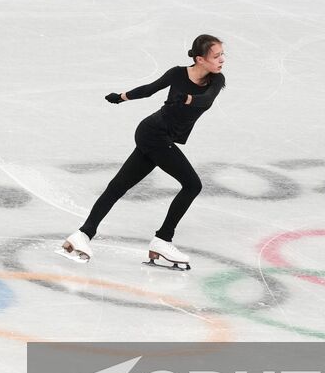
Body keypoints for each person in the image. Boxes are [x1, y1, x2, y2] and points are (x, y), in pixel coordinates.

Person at [60, 34, 226, 271]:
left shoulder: (216, 81)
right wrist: (121, 97)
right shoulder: (177, 73)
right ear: (200, 59)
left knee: (118, 186)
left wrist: (188, 98)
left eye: (222, 54)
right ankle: (162, 240)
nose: (222, 60)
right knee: (192, 185)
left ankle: (82, 235)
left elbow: (206, 101)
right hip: (153, 133)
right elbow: (150, 89)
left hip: (160, 137)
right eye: (217, 55)